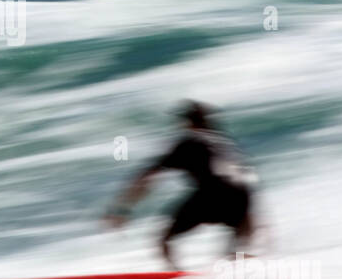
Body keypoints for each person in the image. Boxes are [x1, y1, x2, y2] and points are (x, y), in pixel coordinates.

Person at [105, 101, 259, 269]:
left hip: (213, 193)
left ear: (188, 123)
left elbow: (147, 177)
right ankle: (254, 273)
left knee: (164, 240)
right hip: (242, 197)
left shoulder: (190, 142)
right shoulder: (226, 143)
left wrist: (121, 209)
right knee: (234, 253)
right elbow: (245, 180)